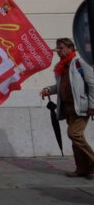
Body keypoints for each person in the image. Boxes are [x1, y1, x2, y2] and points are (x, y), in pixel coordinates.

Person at [40, 38, 94, 179]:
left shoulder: (80, 62)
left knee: (74, 134)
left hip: (81, 106)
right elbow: (60, 86)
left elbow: (92, 84)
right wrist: (48, 89)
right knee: (76, 140)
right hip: (67, 107)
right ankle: (83, 169)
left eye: (62, 47)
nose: (59, 50)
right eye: (57, 48)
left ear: (71, 48)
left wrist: (92, 106)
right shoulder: (61, 66)